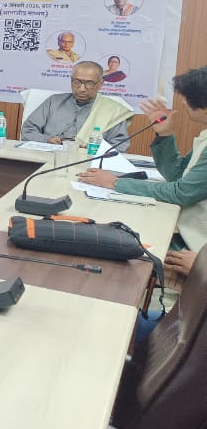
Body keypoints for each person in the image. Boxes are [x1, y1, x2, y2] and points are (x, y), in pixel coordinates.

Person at [79, 67, 207, 278]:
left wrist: (115, 183)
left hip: (195, 245)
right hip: (187, 234)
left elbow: (181, 192)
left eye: (187, 98)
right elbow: (178, 176)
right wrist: (165, 135)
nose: (183, 103)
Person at [21, 61, 132, 148]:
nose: (81, 89)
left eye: (89, 83)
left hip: (89, 161)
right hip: (48, 154)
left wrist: (92, 148)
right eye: (77, 82)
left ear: (100, 84)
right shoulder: (54, 101)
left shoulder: (112, 110)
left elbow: (120, 146)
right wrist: (47, 140)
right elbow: (28, 130)